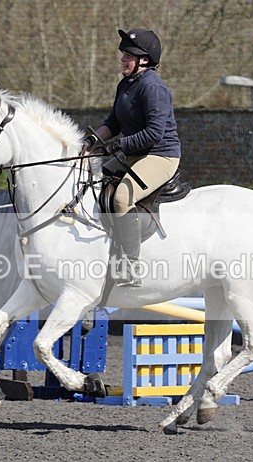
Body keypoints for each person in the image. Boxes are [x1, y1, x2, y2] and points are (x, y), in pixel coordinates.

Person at [82, 28, 181, 287]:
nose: (122, 60)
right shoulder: (125, 84)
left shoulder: (153, 88)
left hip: (160, 155)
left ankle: (131, 266)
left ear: (144, 60)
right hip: (133, 153)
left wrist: (118, 146)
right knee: (90, 180)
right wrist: (93, 142)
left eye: (128, 55)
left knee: (122, 196)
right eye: (123, 54)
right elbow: (113, 122)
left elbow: (154, 133)